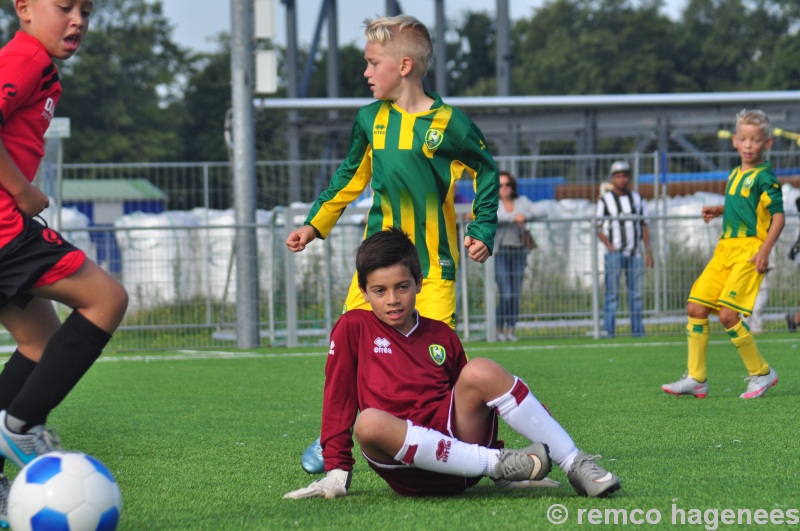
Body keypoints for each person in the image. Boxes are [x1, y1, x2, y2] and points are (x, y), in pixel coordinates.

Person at [286, 15, 499, 474]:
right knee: (348, 354)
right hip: (378, 270)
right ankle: (334, 438)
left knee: (432, 363)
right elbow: (349, 177)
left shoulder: (450, 124)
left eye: (371, 62)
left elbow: (487, 170)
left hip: (433, 270)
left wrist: (483, 229)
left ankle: (450, 445)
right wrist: (313, 225)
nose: (365, 72)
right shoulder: (369, 119)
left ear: (403, 66)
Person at [284, 228, 620, 499]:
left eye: (402, 287)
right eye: (380, 290)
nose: (392, 299)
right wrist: (337, 472)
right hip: (403, 468)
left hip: (461, 461)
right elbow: (338, 399)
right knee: (369, 423)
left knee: (480, 370)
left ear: (419, 283)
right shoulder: (353, 327)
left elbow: (479, 403)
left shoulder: (441, 334)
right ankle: (498, 465)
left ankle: (574, 462)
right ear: (364, 291)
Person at [0, 1, 129, 525]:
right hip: (5, 225)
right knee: (107, 298)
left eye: (86, 9)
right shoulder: (25, 57)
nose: (77, 19)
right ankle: (22, 425)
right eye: (64, 6)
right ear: (23, 8)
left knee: (39, 342)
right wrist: (23, 191)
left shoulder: (37, 64)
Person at [662, 109, 783, 399]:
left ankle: (762, 373)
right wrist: (719, 209)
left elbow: (778, 218)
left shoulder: (765, 178)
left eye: (755, 140)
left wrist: (765, 250)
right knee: (695, 307)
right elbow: (740, 207)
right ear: (734, 141)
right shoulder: (734, 174)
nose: (749, 145)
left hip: (749, 251)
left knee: (728, 315)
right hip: (724, 249)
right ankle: (697, 378)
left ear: (767, 144)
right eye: (743, 139)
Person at [596, 160, 653, 337]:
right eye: (618, 176)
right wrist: (610, 245)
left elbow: (644, 225)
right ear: (613, 179)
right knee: (612, 294)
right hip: (614, 254)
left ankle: (638, 332)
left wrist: (648, 252)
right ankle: (609, 332)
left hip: (635, 253)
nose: (622, 180)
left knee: (636, 295)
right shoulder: (605, 200)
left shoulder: (637, 199)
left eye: (625, 176)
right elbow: (597, 227)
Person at [494, 171, 538, 342]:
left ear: (513, 186)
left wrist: (525, 215)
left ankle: (510, 329)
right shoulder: (493, 203)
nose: (505, 188)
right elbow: (495, 216)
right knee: (506, 294)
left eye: (508, 184)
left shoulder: (523, 202)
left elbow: (540, 211)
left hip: (519, 252)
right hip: (501, 253)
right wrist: (515, 217)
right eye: (501, 185)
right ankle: (498, 329)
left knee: (515, 294)